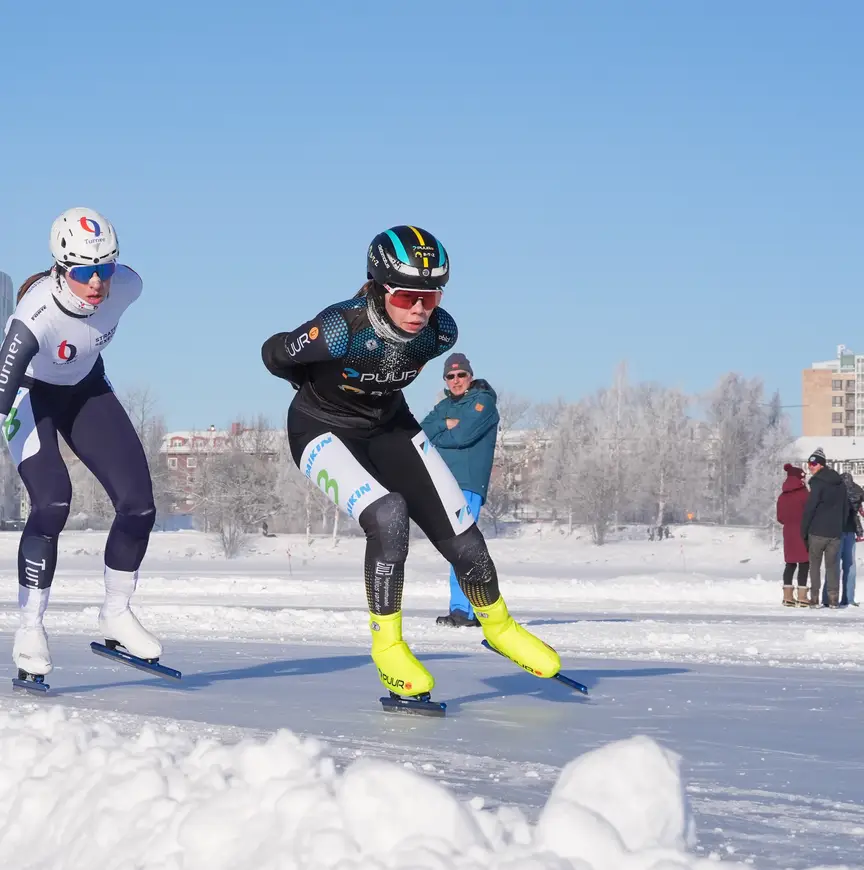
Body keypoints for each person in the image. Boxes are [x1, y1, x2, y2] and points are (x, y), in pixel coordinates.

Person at [261, 225, 561, 702]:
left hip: (390, 427)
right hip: (320, 428)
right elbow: (274, 354)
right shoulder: (341, 328)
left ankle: (500, 627)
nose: (421, 309)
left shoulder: (441, 332)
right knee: (388, 515)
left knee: (464, 537)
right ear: (379, 288)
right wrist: (311, 381)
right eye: (406, 296)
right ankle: (388, 648)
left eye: (432, 294)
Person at [0, 208, 160, 680]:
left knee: (140, 507)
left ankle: (116, 613)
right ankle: (29, 627)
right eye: (84, 272)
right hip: (29, 395)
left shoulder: (127, 286)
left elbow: (120, 286)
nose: (97, 283)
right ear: (60, 268)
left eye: (105, 269)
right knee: (52, 503)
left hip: (86, 390)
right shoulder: (34, 316)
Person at [421, 352, 499, 627]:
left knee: (462, 547)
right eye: (450, 376)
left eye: (461, 375)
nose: (456, 380)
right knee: (459, 548)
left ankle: (464, 611)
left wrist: (445, 434)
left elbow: (464, 435)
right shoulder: (445, 407)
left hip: (467, 482)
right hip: (446, 482)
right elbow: (423, 431)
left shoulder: (483, 402)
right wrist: (445, 425)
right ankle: (473, 609)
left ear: (470, 376)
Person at [800, 448, 845, 608]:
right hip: (835, 533)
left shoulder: (817, 483)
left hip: (817, 532)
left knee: (815, 566)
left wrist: (803, 531)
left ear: (821, 465)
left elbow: (810, 508)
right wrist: (840, 526)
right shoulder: (840, 483)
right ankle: (833, 600)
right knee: (832, 566)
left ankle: (814, 598)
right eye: (809, 463)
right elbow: (845, 508)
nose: (810, 466)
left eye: (814, 463)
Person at [776, 464, 810, 607]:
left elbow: (780, 518)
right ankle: (802, 597)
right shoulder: (805, 494)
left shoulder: (782, 496)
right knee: (804, 563)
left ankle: (787, 596)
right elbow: (810, 513)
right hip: (802, 532)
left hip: (788, 533)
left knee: (790, 563)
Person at [839, 472, 863, 607]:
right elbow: (858, 514)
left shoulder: (835, 491)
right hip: (850, 530)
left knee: (834, 567)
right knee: (850, 566)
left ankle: (829, 598)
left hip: (835, 531)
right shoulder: (858, 490)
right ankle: (849, 598)